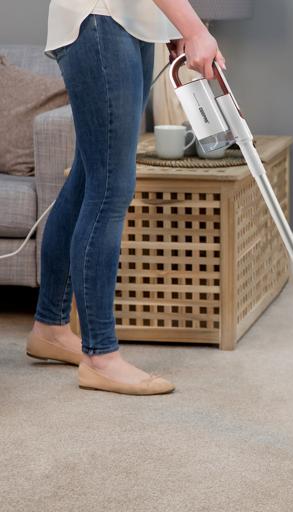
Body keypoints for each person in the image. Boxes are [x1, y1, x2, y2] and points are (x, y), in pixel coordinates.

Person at [26, 0, 226, 395]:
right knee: (111, 187)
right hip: (99, 19)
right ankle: (100, 357)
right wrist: (194, 29)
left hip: (125, 23)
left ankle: (50, 327)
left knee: (87, 178)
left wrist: (171, 27)